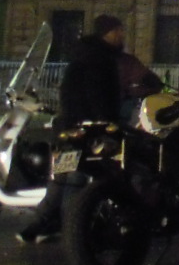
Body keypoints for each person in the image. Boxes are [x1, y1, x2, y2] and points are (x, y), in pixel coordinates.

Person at [17, 15, 126, 245]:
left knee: (61, 178)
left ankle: (38, 224)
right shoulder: (100, 58)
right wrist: (108, 124)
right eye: (118, 31)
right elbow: (98, 96)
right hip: (86, 129)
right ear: (108, 33)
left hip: (68, 127)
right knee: (76, 180)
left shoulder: (83, 54)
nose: (121, 36)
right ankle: (71, 229)